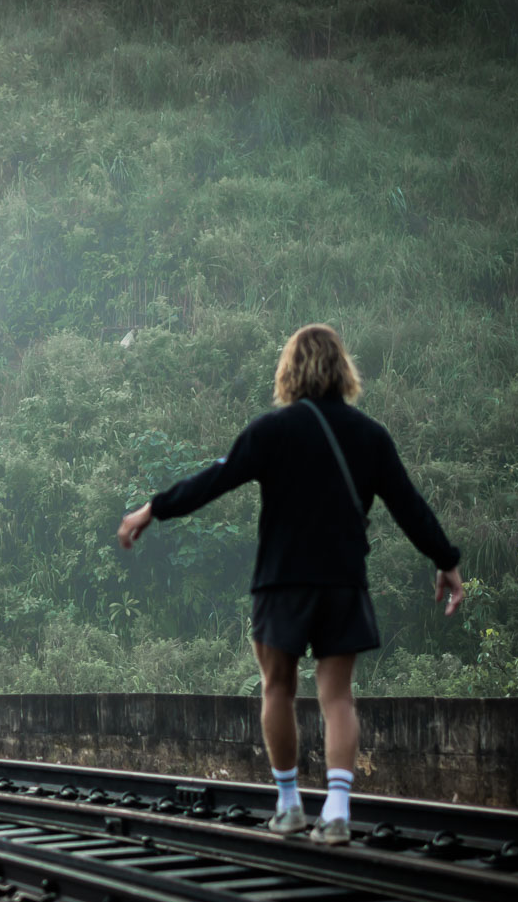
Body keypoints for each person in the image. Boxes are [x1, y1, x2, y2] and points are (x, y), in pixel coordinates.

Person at [117, 324, 465, 845]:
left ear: (289, 371)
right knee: (338, 697)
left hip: (283, 582)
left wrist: (152, 509)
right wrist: (446, 562)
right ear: (343, 370)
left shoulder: (271, 431)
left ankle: (288, 806)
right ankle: (339, 811)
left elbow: (213, 480)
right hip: (343, 581)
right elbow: (410, 508)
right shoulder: (371, 437)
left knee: (277, 687)